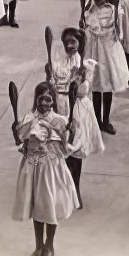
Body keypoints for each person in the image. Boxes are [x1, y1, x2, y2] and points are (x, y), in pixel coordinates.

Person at [12, 81, 78, 256]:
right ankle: (38, 247)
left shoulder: (60, 120)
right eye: (41, 99)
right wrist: (17, 135)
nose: (44, 104)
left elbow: (66, 148)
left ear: (54, 101)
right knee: (37, 208)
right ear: (36, 99)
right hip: (33, 168)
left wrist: (68, 134)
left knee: (49, 207)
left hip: (51, 169)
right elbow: (23, 146)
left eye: (49, 100)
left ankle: (49, 247)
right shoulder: (29, 119)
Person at [48, 28, 103, 204]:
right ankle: (62, 189)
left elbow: (83, 92)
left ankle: (75, 189)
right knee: (58, 151)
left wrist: (80, 80)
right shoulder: (57, 62)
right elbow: (51, 86)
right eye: (67, 42)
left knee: (74, 152)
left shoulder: (85, 66)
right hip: (58, 106)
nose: (70, 45)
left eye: (73, 42)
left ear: (80, 44)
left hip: (76, 111)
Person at [82, 0, 128, 135]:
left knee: (107, 88)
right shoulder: (90, 10)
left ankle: (106, 120)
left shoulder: (113, 10)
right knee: (95, 88)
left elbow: (120, 32)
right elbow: (85, 28)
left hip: (108, 54)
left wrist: (118, 30)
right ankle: (97, 120)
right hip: (94, 52)